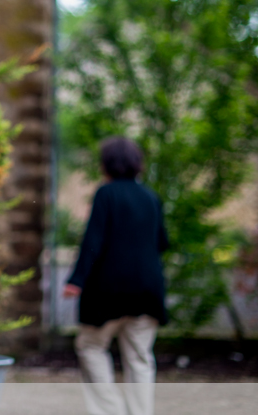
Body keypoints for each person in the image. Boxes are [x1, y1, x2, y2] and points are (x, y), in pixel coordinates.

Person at [63, 137, 169, 415]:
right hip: (148, 290)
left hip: (107, 291)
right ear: (137, 164)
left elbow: (93, 241)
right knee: (139, 357)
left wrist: (77, 280)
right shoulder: (151, 197)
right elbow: (162, 242)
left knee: (91, 346)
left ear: (106, 164)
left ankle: (110, 410)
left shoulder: (106, 194)